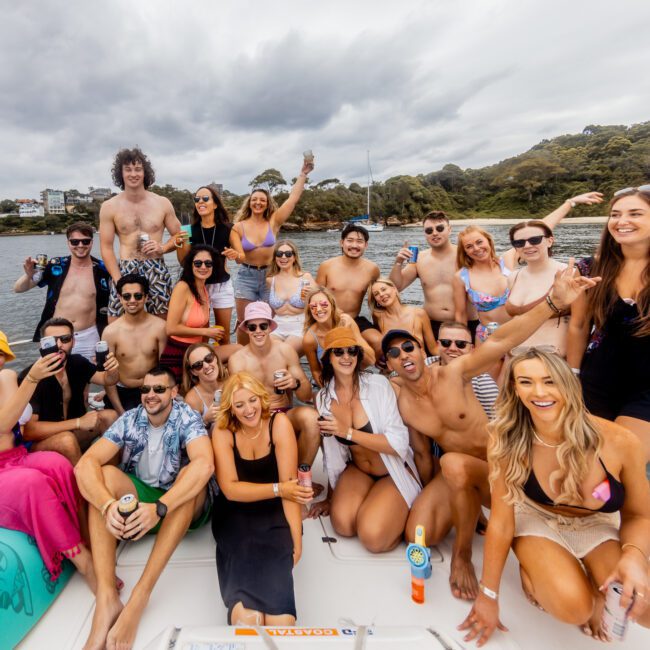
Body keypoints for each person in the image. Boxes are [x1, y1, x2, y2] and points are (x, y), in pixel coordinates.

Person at [386, 261, 600, 600]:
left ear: (420, 348)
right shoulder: (400, 400)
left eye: (408, 346)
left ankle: (463, 553)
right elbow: (422, 453)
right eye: (394, 353)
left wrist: (552, 303)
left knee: (454, 463)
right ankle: (469, 511)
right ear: (390, 364)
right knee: (418, 535)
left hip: (501, 469)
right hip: (456, 475)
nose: (403, 355)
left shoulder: (455, 373)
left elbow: (500, 340)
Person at [458, 349, 650, 645]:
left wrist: (634, 556)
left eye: (550, 381)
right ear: (514, 388)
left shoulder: (620, 441)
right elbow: (501, 521)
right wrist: (488, 596)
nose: (539, 392)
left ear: (569, 385)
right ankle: (531, 569)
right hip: (536, 518)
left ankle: (584, 573)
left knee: (644, 608)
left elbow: (639, 514)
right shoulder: (505, 435)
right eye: (526, 382)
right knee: (576, 609)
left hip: (597, 525)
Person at [75, 365, 214, 650]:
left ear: (174, 393)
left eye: (159, 389)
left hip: (179, 507)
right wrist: (106, 505)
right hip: (144, 504)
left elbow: (205, 464)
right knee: (104, 477)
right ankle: (107, 597)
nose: (151, 395)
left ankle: (140, 596)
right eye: (145, 390)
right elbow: (85, 464)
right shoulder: (130, 419)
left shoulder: (186, 417)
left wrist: (160, 508)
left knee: (189, 479)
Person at [212, 372, 312, 625]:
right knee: (248, 619)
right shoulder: (223, 431)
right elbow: (231, 490)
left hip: (274, 512)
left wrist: (297, 539)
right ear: (231, 409)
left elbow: (292, 491)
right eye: (240, 404)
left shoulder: (278, 424)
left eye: (253, 400)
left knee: (282, 622)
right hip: (235, 513)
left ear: (262, 398)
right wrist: (279, 489)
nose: (248, 410)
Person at [0, 332, 97, 589]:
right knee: (32, 483)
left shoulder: (7, 378)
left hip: (15, 456)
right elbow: (3, 424)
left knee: (60, 466)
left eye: (1, 355)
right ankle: (85, 563)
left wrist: (31, 380)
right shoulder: (24, 380)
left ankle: (90, 538)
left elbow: (11, 424)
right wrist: (32, 379)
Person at [315, 327, 421, 552]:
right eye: (339, 352)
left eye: (352, 351)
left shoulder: (378, 386)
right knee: (343, 525)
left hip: (391, 470)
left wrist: (349, 433)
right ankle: (374, 503)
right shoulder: (323, 397)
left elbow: (399, 444)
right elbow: (334, 453)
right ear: (328, 358)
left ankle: (398, 512)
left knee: (373, 538)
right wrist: (331, 495)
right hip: (358, 470)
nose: (346, 357)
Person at [453, 193, 604, 344]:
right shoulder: (462, 276)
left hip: (519, 333)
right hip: (487, 336)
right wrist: (461, 344)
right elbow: (460, 315)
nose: (476, 248)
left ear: (489, 241)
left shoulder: (507, 260)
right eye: (469, 246)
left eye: (479, 242)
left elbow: (537, 231)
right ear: (464, 251)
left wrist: (570, 203)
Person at [568, 186, 650, 463]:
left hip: (646, 388)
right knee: (591, 465)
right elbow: (579, 325)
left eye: (635, 213)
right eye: (615, 214)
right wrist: (572, 375)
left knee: (621, 461)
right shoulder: (590, 268)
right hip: (597, 380)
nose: (621, 221)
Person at [228, 302, 320, 468]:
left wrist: (295, 383)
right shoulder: (238, 360)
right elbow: (235, 403)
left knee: (312, 418)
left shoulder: (285, 351)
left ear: (270, 327)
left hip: (283, 413)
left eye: (263, 326)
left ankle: (301, 474)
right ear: (246, 329)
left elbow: (306, 396)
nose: (258, 331)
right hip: (254, 418)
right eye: (252, 327)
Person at [232, 156, 314, 343]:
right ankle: (243, 358)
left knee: (269, 323)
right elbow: (239, 257)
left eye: (262, 200)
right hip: (246, 276)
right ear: (249, 203)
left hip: (270, 277)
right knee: (245, 322)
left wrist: (303, 174)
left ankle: (269, 359)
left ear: (267, 203)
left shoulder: (274, 222)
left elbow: (292, 199)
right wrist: (235, 256)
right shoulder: (239, 227)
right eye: (255, 200)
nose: (258, 203)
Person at [21, 317, 119, 464]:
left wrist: (113, 369)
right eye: (52, 341)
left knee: (110, 416)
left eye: (65, 339)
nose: (59, 345)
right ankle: (84, 483)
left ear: (73, 341)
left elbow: (108, 380)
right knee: (67, 440)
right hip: (41, 444)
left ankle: (110, 473)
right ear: (42, 345)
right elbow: (29, 432)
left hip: (73, 434)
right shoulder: (31, 377)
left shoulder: (77, 362)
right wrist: (78, 422)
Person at [99, 147, 181, 320]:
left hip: (155, 266)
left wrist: (163, 248)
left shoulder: (162, 203)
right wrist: (117, 280)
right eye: (128, 169)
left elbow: (180, 236)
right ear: (121, 174)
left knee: (162, 320)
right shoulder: (109, 206)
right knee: (115, 320)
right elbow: (106, 248)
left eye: (138, 169)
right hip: (125, 269)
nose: (133, 174)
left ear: (145, 173)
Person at [13, 222, 111, 361]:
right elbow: (18, 288)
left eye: (85, 241)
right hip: (55, 336)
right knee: (53, 378)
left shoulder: (103, 269)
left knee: (84, 379)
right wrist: (29, 274)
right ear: (68, 243)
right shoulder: (56, 265)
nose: (80, 245)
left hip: (88, 335)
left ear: (92, 242)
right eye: (75, 241)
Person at [161, 245, 239, 384]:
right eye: (198, 263)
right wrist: (207, 332)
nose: (203, 267)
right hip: (180, 353)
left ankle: (230, 390)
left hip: (198, 351)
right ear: (190, 265)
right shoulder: (183, 287)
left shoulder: (203, 288)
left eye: (208, 263)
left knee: (239, 350)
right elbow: (171, 328)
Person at [176, 184, 244, 344]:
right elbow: (183, 261)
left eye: (205, 198)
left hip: (221, 285)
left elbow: (242, 257)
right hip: (198, 287)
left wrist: (236, 254)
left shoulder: (229, 229)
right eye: (197, 199)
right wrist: (180, 243)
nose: (200, 201)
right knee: (202, 335)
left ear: (214, 204)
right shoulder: (189, 230)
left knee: (223, 335)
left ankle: (224, 368)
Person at [389, 210, 473, 339]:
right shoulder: (419, 259)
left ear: (449, 229)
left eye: (440, 228)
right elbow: (396, 286)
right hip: (432, 325)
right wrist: (398, 262)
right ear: (424, 234)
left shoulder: (466, 255)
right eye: (429, 230)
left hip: (467, 323)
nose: (434, 233)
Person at [101, 274, 168, 414]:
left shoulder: (160, 327)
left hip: (153, 390)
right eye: (126, 296)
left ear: (146, 297)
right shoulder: (110, 332)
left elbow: (165, 368)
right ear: (119, 298)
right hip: (123, 392)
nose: (132, 301)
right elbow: (108, 375)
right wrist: (120, 411)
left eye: (138, 296)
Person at [504, 220, 572, 356]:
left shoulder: (569, 274)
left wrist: (574, 368)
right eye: (519, 242)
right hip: (515, 358)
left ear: (550, 241)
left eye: (535, 240)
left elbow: (581, 325)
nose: (527, 246)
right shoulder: (513, 277)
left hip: (554, 360)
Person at [315, 224, 380, 336]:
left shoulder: (372, 269)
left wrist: (379, 325)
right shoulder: (326, 266)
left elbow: (376, 301)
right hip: (329, 320)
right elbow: (315, 298)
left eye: (359, 241)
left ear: (366, 245)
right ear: (342, 243)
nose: (354, 245)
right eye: (350, 240)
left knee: (378, 342)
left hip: (355, 320)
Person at [303, 288, 376, 388]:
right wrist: (328, 391)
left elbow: (370, 360)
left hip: (353, 377)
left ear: (332, 304)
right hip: (328, 382)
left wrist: (347, 332)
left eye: (323, 304)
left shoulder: (346, 321)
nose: (319, 309)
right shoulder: (310, 338)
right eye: (313, 306)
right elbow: (316, 371)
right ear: (309, 310)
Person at [436, 321, 499, 420]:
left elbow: (496, 424)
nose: (452, 348)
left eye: (461, 344)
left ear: (471, 348)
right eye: (446, 342)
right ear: (438, 345)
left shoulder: (482, 382)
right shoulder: (424, 366)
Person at [367, 277, 437, 359]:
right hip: (394, 368)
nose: (381, 294)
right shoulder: (378, 316)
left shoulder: (419, 314)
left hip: (419, 365)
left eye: (384, 289)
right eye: (376, 294)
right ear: (376, 300)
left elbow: (433, 349)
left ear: (394, 289)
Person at [266, 240, 315, 356]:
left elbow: (322, 300)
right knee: (267, 352)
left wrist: (311, 295)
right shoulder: (270, 280)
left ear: (294, 257)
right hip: (277, 325)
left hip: (299, 325)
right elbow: (270, 310)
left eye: (288, 254)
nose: (283, 257)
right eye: (279, 254)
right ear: (275, 257)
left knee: (284, 353)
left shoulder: (305, 278)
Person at [182, 342, 228, 430]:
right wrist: (205, 420)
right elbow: (189, 435)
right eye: (198, 365)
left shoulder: (231, 381)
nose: (206, 366)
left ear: (215, 358)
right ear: (193, 372)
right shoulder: (192, 399)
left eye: (208, 358)